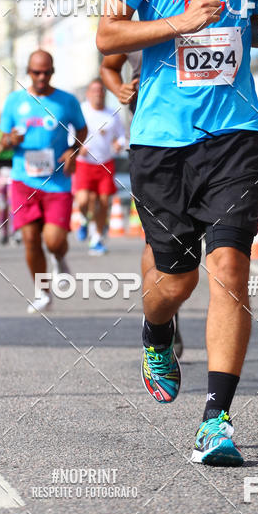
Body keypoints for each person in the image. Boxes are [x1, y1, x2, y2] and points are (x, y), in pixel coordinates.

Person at [96, 0, 258, 465]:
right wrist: (180, 21)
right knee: (173, 281)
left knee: (231, 267)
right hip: (162, 137)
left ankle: (218, 418)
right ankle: (156, 331)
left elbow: (244, 32)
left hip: (235, 132)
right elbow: (108, 36)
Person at [101, 50, 184, 359]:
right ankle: (163, 318)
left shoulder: (211, 10)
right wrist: (119, 87)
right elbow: (109, 64)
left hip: (207, 140)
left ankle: (164, 312)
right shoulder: (138, 26)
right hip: (154, 143)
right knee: (159, 239)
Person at [0, 50, 87, 313]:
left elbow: (81, 130)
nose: (41, 77)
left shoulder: (67, 101)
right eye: (36, 72)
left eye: (46, 72)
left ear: (53, 71)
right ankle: (43, 292)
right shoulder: (15, 101)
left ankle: (59, 257)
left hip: (57, 182)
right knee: (30, 239)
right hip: (23, 180)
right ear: (28, 71)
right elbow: (3, 139)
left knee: (54, 240)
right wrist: (9, 141)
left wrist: (73, 150)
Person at [72, 78, 125, 255]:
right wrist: (77, 147)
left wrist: (119, 144)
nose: (98, 93)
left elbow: (122, 136)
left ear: (104, 93)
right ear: (88, 94)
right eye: (94, 90)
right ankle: (84, 220)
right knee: (84, 200)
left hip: (105, 162)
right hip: (84, 163)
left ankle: (96, 239)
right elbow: (70, 133)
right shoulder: (81, 110)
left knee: (103, 202)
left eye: (101, 90)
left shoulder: (112, 113)